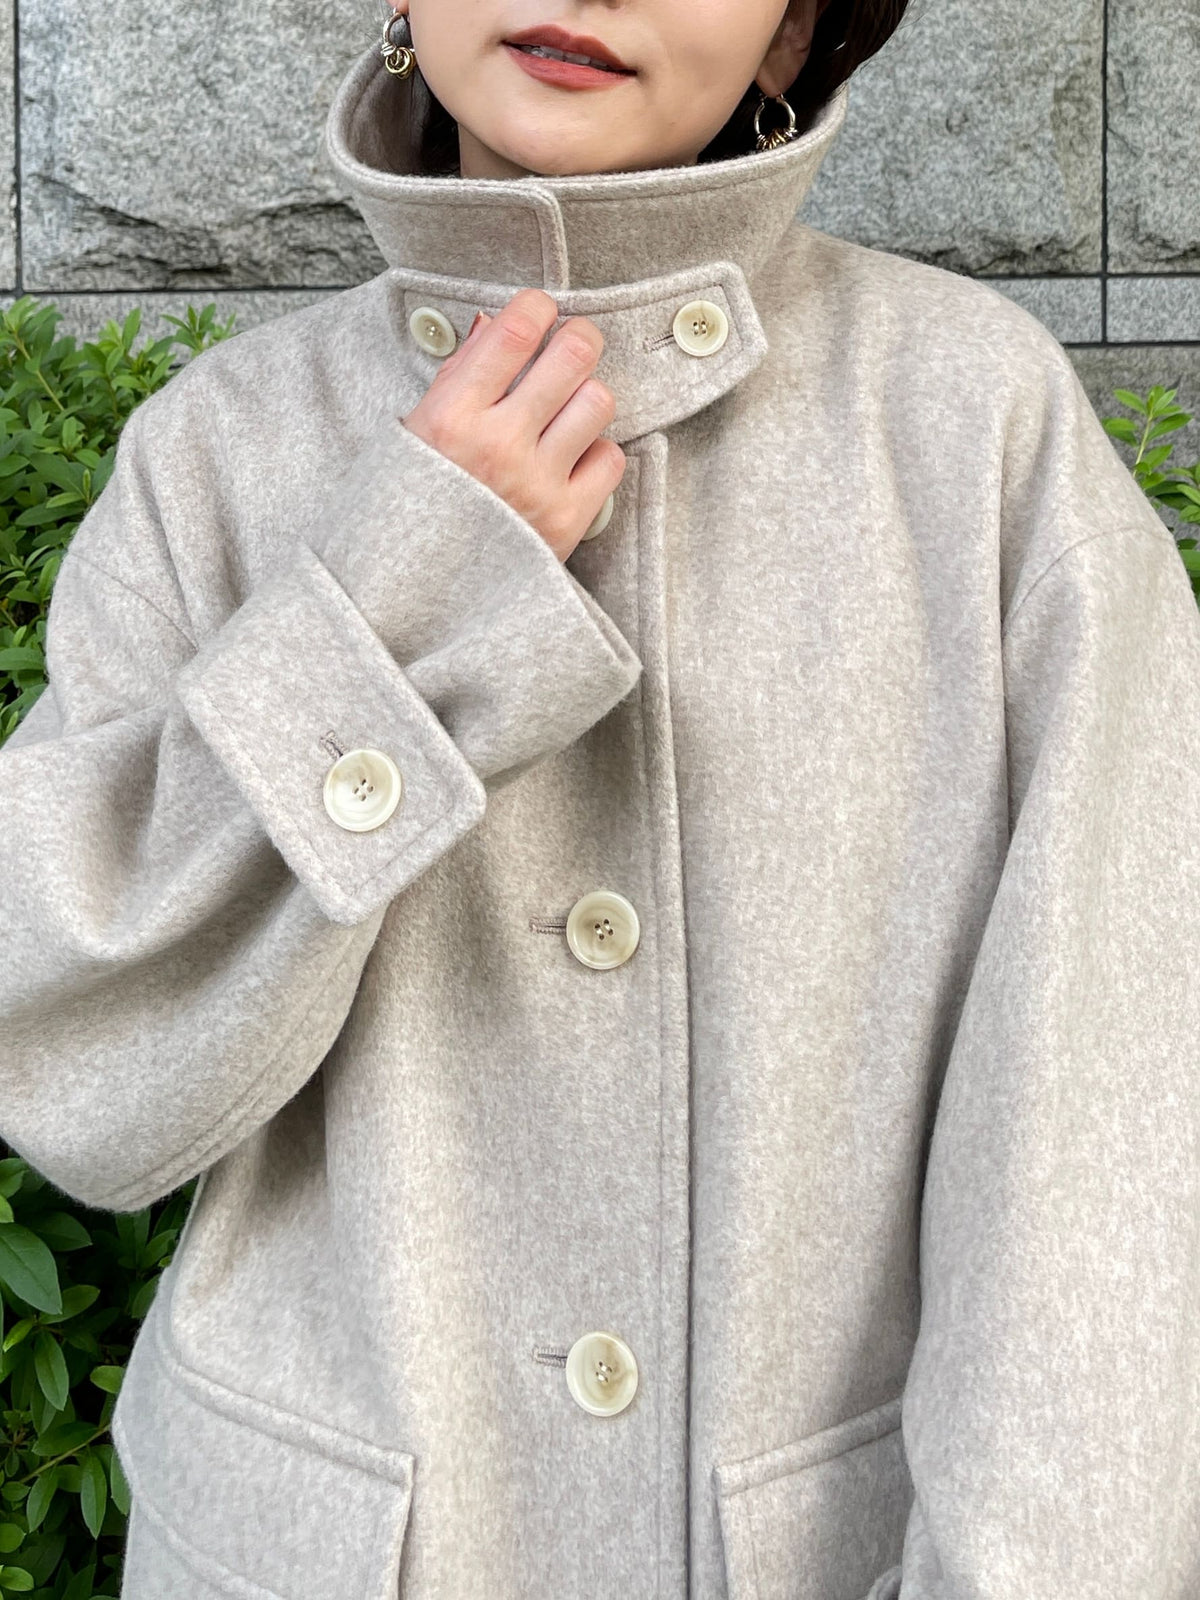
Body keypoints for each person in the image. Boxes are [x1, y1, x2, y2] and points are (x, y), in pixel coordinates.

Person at [1, 0, 1198, 1595]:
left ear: (794, 36)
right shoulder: (213, 454)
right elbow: (72, 1072)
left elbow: (1100, 1156)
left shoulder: (978, 431)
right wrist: (402, 588)